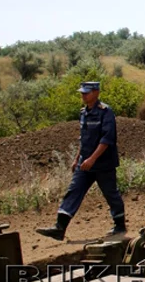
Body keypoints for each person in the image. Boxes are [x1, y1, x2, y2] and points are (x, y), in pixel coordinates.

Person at [36, 81, 126, 241]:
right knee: (73, 190)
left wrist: (92, 159)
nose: (83, 95)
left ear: (96, 93)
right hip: (85, 163)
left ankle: (120, 225)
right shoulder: (84, 113)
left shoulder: (105, 112)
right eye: (82, 93)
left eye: (86, 92)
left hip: (103, 164)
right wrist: (77, 158)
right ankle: (59, 228)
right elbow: (84, 139)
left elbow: (107, 139)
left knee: (111, 194)